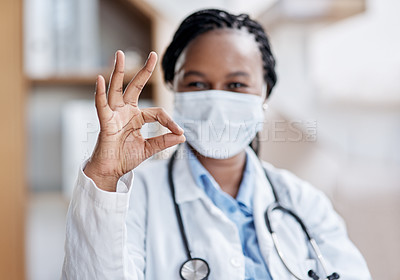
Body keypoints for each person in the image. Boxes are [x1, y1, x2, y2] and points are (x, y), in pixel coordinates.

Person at [62, 9, 371, 280]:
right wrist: (104, 177)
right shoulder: (133, 197)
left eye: (236, 84)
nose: (217, 101)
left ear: (265, 95)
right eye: (197, 83)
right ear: (174, 90)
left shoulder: (304, 203)